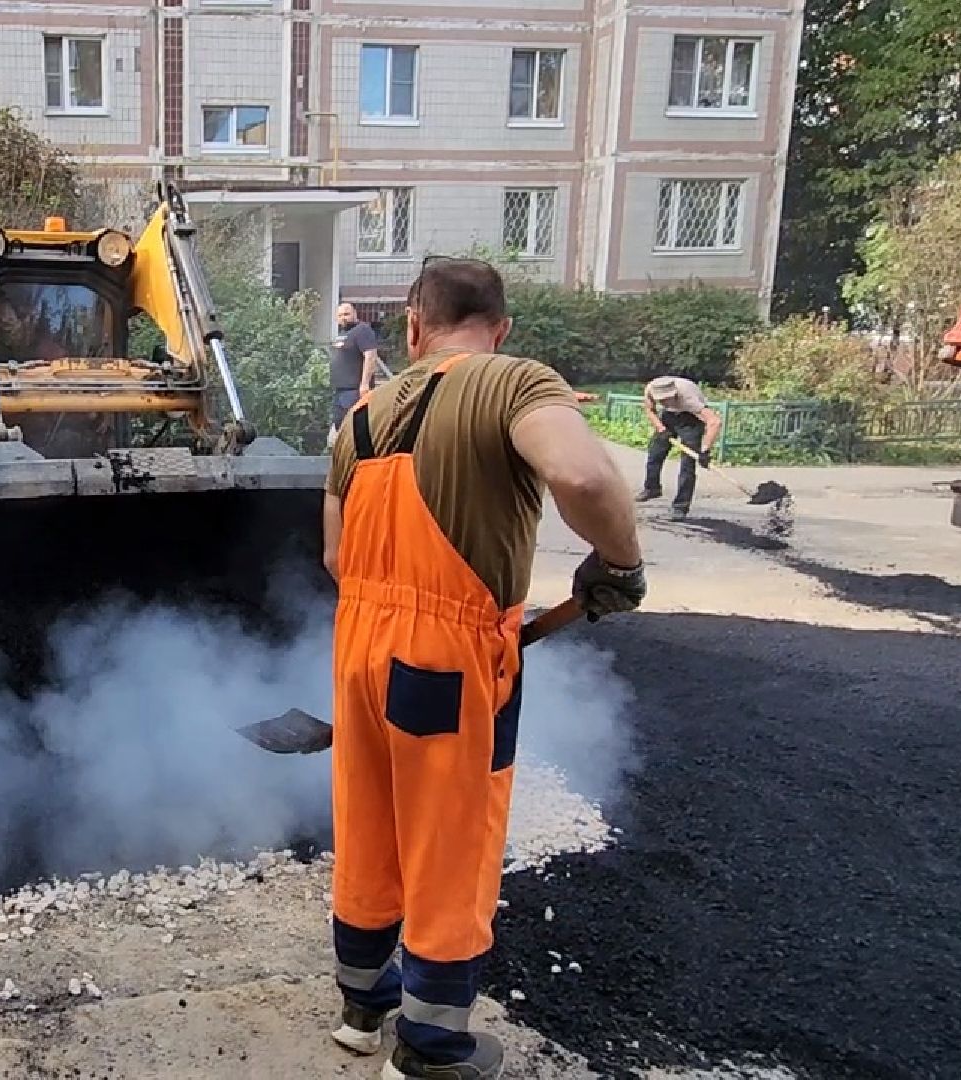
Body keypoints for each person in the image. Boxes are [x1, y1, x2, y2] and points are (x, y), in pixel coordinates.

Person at [321, 258, 646, 1079]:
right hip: (449, 659)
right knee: (448, 846)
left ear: (412, 329)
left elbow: (333, 556)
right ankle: (430, 1049)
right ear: (499, 329)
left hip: (359, 646)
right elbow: (579, 472)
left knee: (369, 825)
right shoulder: (514, 382)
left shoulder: (359, 417)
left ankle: (363, 1010)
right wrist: (622, 563)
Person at [637, 375, 723, 519]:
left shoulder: (689, 398)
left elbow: (715, 421)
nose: (663, 402)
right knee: (655, 454)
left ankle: (680, 506)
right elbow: (649, 410)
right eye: (661, 401)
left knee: (687, 465)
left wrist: (705, 450)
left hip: (691, 420)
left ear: (674, 394)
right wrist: (660, 428)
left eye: (666, 399)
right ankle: (652, 488)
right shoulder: (651, 389)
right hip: (669, 418)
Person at [330, 302, 387, 437]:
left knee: (353, 429)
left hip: (354, 390)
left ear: (354, 314)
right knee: (340, 425)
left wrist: (365, 384)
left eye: (346, 314)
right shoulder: (343, 333)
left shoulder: (362, 330)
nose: (343, 318)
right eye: (340, 315)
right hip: (340, 390)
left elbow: (370, 356)